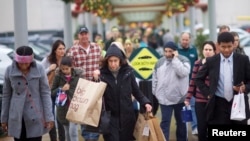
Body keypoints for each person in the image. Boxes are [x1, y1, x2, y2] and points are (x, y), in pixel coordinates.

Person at [93, 42, 152, 141]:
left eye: (115, 61)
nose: (113, 64)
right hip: (110, 117)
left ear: (120, 60)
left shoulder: (128, 73)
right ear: (106, 61)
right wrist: (95, 79)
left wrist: (145, 102)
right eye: (110, 61)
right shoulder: (102, 75)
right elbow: (95, 94)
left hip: (127, 117)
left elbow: (136, 91)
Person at [195, 32, 250, 125]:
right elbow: (198, 79)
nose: (227, 50)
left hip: (238, 102)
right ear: (218, 46)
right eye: (223, 47)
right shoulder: (211, 61)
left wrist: (245, 87)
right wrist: (208, 94)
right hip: (218, 105)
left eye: (229, 46)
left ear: (234, 44)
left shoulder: (243, 59)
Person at [1, 46, 54, 141]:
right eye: (21, 63)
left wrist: (49, 116)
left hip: (36, 114)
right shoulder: (10, 70)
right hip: (17, 116)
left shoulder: (39, 69)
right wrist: (4, 119)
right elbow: (6, 95)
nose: (24, 66)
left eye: (26, 63)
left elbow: (45, 93)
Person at [66, 26, 102, 141]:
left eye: (86, 33)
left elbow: (101, 64)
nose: (84, 36)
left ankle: (94, 137)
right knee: (83, 115)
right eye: (82, 34)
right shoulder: (73, 50)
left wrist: (99, 72)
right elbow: (69, 70)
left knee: (94, 113)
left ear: (89, 34)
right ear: (78, 36)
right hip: (81, 88)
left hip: (95, 86)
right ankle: (87, 138)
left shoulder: (97, 48)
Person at [152, 41, 190, 141]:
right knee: (164, 123)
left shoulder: (184, 60)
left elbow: (183, 73)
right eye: (166, 51)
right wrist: (156, 92)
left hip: (180, 99)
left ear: (175, 51)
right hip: (164, 99)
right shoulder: (159, 62)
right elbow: (154, 78)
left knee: (181, 123)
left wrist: (175, 59)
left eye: (170, 51)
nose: (168, 54)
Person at [184, 41, 216, 141]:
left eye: (210, 50)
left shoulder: (217, 64)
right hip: (200, 101)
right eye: (206, 49)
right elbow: (193, 81)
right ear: (202, 51)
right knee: (201, 128)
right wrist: (188, 98)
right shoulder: (197, 63)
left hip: (213, 101)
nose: (208, 52)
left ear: (214, 51)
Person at [51, 56, 82, 141]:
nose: (65, 71)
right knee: (67, 132)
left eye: (67, 69)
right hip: (63, 109)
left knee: (73, 132)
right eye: (63, 69)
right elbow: (52, 92)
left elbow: (82, 90)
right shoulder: (58, 77)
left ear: (71, 66)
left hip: (74, 108)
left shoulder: (77, 76)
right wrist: (60, 89)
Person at [40, 39, 66, 141]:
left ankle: (62, 139)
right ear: (55, 50)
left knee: (60, 117)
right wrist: (49, 69)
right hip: (49, 92)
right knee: (50, 117)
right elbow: (40, 72)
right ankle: (53, 139)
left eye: (63, 48)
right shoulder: (47, 60)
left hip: (61, 92)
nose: (62, 51)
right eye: (60, 49)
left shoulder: (65, 60)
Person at [178, 32, 198, 135]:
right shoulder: (176, 51)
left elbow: (197, 64)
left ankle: (195, 127)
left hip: (192, 82)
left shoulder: (193, 50)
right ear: (180, 40)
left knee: (193, 104)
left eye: (187, 40)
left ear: (189, 40)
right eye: (183, 40)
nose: (185, 42)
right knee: (182, 106)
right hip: (180, 84)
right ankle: (183, 129)